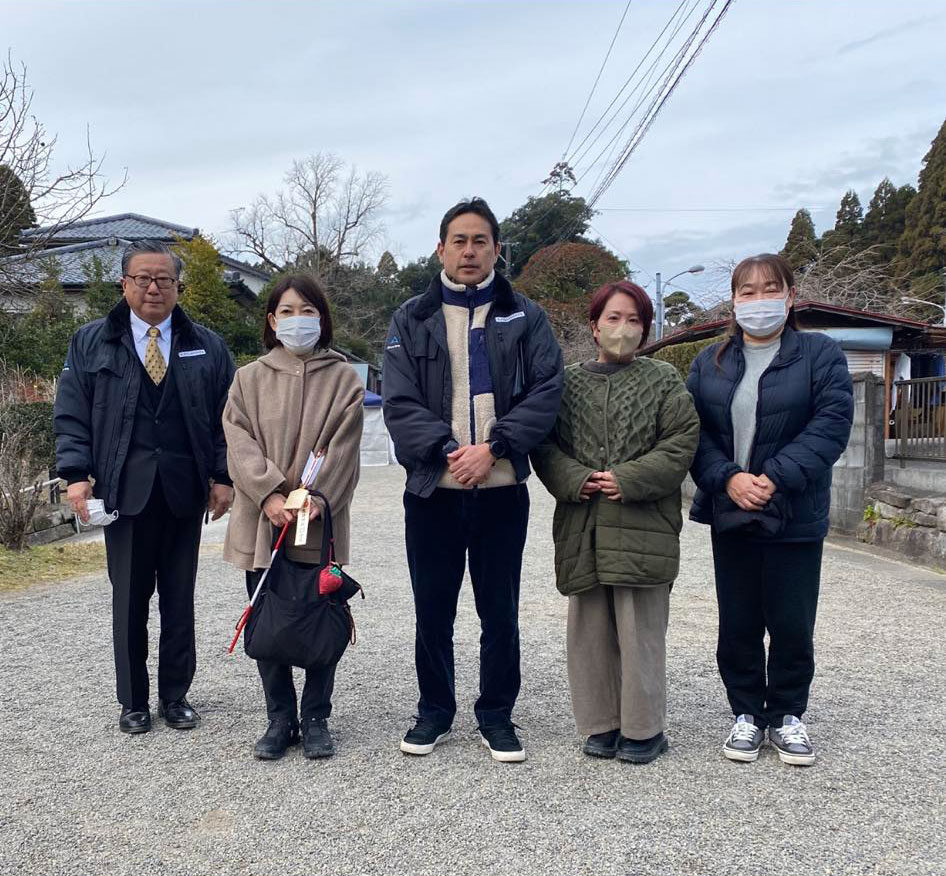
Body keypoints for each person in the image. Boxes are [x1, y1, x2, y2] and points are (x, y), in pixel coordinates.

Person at [382, 197, 563, 762]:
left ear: (496, 250)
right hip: (434, 491)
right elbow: (399, 400)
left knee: (499, 608)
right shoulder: (411, 317)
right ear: (440, 248)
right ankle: (435, 711)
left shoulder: (524, 315)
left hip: (502, 489)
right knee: (432, 608)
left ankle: (497, 714)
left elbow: (546, 391)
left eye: (479, 240)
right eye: (458, 240)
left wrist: (496, 448)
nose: (468, 250)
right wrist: (448, 450)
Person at [54, 239, 235, 735]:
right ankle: (133, 700)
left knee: (180, 598)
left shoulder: (207, 346)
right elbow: (72, 415)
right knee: (129, 599)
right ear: (125, 284)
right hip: (124, 493)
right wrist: (76, 476)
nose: (154, 288)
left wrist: (223, 477)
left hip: (183, 490)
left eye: (165, 280)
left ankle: (176, 696)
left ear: (179, 286)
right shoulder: (91, 342)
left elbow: (227, 420)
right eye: (144, 279)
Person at [686, 253, 853, 766]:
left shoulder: (820, 355)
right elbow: (692, 435)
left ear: (791, 295)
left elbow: (830, 426)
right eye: (748, 292)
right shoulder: (709, 362)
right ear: (734, 302)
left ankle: (786, 715)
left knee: (791, 618)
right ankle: (744, 712)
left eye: (770, 288)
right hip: (731, 507)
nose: (760, 301)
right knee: (737, 617)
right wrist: (728, 478)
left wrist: (773, 477)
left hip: (795, 511)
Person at [532, 281, 699, 763]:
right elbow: (544, 444)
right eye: (613, 318)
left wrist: (627, 477)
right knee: (589, 632)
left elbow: (681, 440)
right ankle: (600, 724)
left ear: (645, 330)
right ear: (594, 325)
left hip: (643, 523)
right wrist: (575, 477)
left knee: (640, 629)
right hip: (582, 521)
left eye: (633, 321)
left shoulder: (664, 379)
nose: (622, 329)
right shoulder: (566, 383)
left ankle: (644, 728)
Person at [223, 274, 363, 760]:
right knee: (268, 619)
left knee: (322, 613)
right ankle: (279, 718)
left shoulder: (344, 378)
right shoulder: (249, 378)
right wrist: (269, 495)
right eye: (287, 311)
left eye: (307, 311)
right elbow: (238, 443)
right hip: (264, 521)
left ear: (321, 319)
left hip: (318, 523)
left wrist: (315, 498)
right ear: (271, 319)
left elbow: (343, 449)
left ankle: (316, 716)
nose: (297, 320)